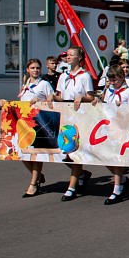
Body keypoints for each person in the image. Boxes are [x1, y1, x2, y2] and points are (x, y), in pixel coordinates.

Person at [0, 58, 55, 198]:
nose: (35, 70)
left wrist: (41, 101)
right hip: (24, 123)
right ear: (27, 70)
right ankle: (38, 176)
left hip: (38, 122)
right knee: (22, 153)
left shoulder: (44, 84)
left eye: (37, 68)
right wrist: (7, 103)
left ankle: (34, 184)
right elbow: (22, 104)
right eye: (32, 68)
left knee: (35, 154)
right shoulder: (26, 84)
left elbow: (52, 101)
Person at [49, 46, 95, 202]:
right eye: (67, 55)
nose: (67, 57)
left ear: (79, 58)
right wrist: (52, 97)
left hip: (79, 114)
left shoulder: (85, 76)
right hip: (66, 113)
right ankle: (81, 174)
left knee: (74, 150)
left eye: (71, 55)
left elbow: (91, 96)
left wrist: (82, 97)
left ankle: (72, 187)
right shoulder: (63, 77)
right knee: (63, 151)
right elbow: (60, 97)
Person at [92, 64, 129, 205]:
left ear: (122, 78)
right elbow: (106, 107)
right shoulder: (109, 90)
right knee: (104, 156)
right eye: (110, 80)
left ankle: (117, 188)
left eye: (115, 80)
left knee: (116, 158)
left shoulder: (128, 92)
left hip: (122, 127)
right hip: (109, 127)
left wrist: (123, 107)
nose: (112, 83)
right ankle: (123, 179)